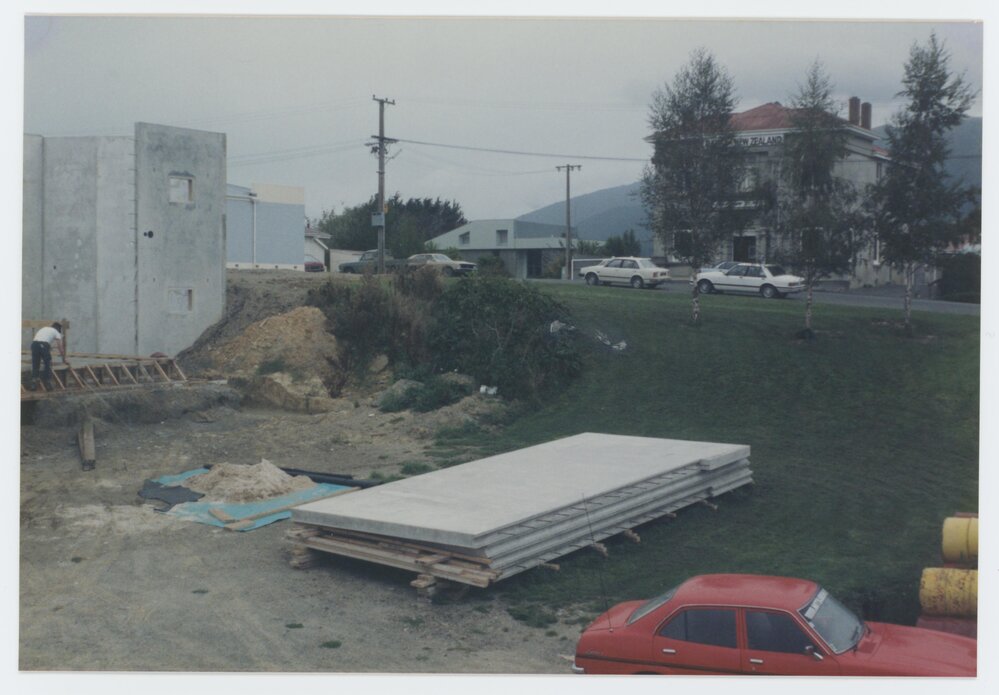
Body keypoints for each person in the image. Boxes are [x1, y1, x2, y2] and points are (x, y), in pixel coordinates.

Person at [30, 322, 66, 390]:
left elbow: (43, 339)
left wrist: (48, 347)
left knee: (35, 364)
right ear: (58, 329)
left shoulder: (44, 328)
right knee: (48, 364)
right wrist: (63, 357)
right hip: (43, 345)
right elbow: (60, 346)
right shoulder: (56, 332)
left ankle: (33, 384)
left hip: (34, 345)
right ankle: (47, 384)